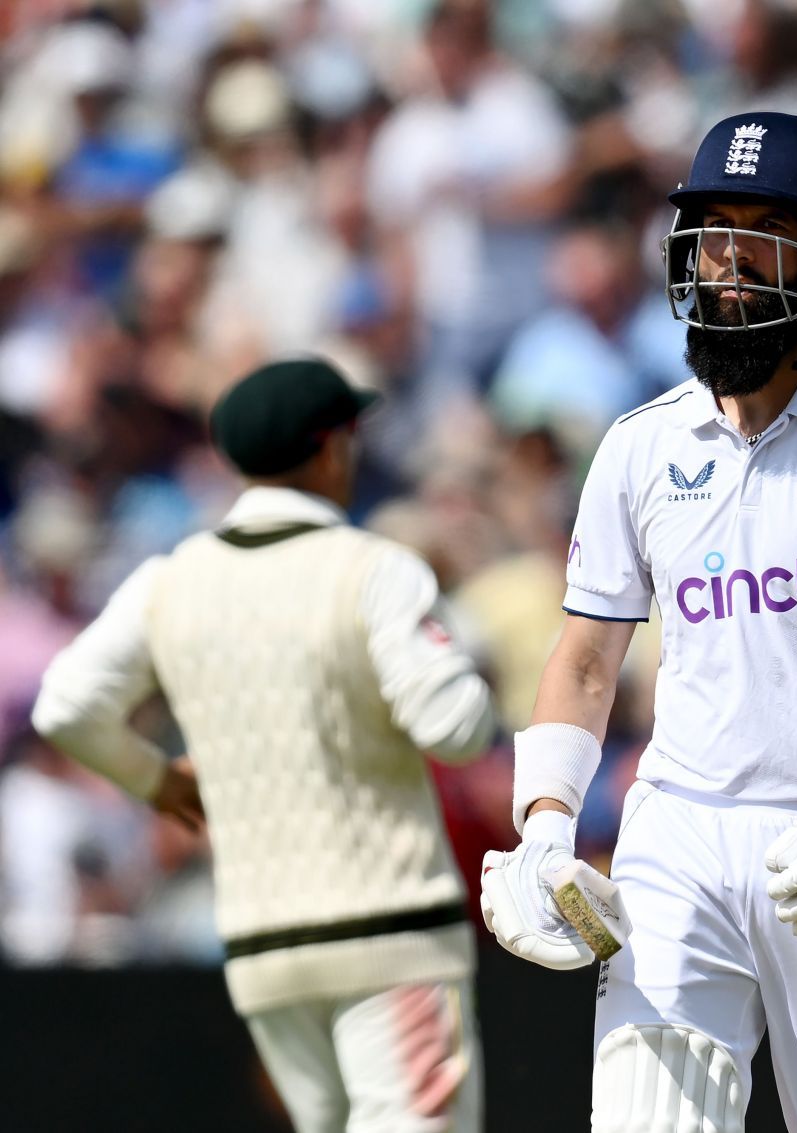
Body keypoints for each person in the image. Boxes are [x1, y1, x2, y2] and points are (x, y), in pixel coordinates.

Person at [478, 112, 797, 1132]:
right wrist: (543, 824)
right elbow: (582, 658)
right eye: (713, 229)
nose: (731, 258)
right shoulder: (638, 445)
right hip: (677, 835)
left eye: (765, 227)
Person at [32, 357, 496, 1132]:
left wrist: (156, 781)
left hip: (262, 949)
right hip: (390, 932)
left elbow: (68, 705)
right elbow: (456, 731)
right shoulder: (373, 568)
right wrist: (465, 657)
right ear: (329, 448)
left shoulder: (171, 578)